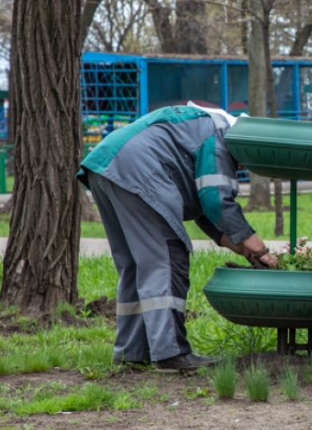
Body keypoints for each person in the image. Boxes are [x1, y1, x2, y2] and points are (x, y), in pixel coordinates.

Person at [78, 103, 277, 373]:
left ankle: (132, 352)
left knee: (137, 265)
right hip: (138, 169)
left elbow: (203, 209)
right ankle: (171, 354)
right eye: (245, 161)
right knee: (169, 257)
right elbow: (216, 201)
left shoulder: (202, 126)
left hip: (106, 165)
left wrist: (235, 244)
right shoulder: (219, 137)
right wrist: (260, 250)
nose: (242, 166)